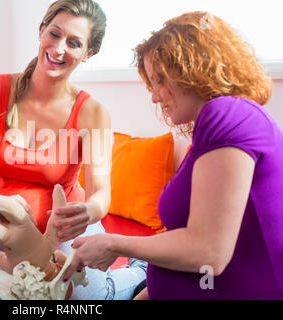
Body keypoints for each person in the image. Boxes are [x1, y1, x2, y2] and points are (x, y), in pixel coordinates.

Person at [64, 11, 283, 300]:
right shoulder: (210, 134)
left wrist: (115, 244)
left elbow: (209, 252)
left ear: (192, 68)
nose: (154, 96)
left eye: (158, 80)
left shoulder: (228, 114)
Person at [0, 0, 147, 300]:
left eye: (74, 43)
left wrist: (88, 211)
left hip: (64, 234)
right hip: (3, 230)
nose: (59, 49)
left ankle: (139, 270)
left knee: (88, 298)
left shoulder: (92, 112)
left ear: (89, 53)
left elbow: (100, 192)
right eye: (55, 34)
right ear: (42, 30)